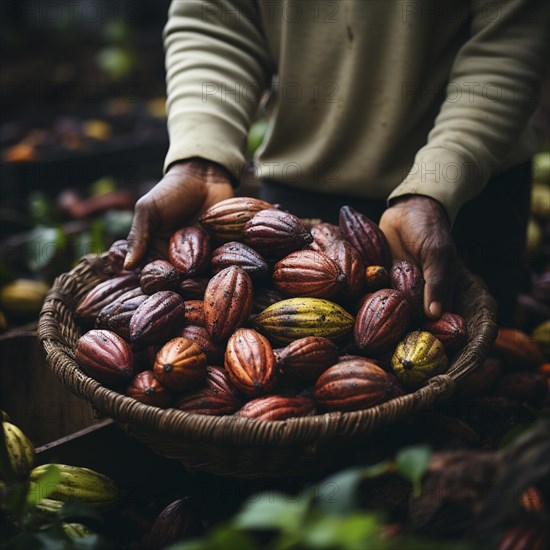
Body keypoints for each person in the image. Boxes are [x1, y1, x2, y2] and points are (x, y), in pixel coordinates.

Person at [124, 0, 549, 325]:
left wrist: (436, 185)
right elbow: (215, 21)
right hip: (297, 210)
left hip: (461, 199)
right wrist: (201, 160)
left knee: (465, 394)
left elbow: (510, 36)